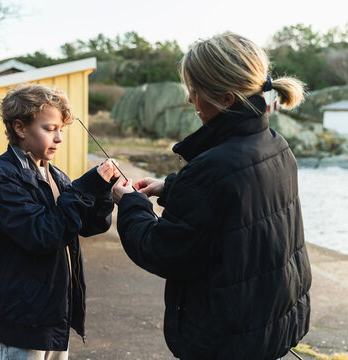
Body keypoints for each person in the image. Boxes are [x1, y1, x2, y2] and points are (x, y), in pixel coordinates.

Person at [112, 33, 312, 360]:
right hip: (272, 327)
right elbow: (237, 204)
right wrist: (172, 186)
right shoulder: (276, 145)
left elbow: (162, 250)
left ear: (227, 99)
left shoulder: (212, 170)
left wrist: (131, 204)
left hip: (226, 341)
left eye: (194, 90)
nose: (191, 100)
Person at [0, 84, 119, 360]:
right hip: (24, 314)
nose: (59, 138)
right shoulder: (5, 177)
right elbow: (42, 234)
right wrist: (84, 188)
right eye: (49, 128)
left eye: (61, 130)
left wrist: (101, 190)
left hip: (54, 310)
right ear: (20, 128)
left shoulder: (55, 175)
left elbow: (90, 225)